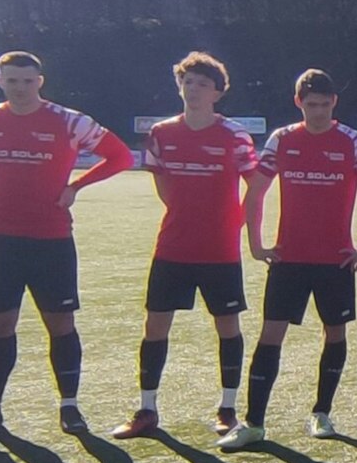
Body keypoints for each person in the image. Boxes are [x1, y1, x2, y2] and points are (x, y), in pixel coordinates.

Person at [217, 70, 357, 449]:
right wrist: (257, 244)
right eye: (312, 106)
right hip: (289, 260)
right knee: (270, 336)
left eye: (325, 105)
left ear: (334, 104)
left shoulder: (353, 143)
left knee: (335, 332)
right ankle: (254, 422)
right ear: (299, 103)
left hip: (336, 262)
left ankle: (322, 413)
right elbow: (256, 193)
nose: (319, 113)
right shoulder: (282, 140)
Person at [108, 53, 263, 440]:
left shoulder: (234, 134)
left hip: (219, 250)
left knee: (227, 326)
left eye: (202, 84)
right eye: (188, 82)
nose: (193, 89)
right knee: (155, 325)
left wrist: (236, 221)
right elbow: (162, 184)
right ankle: (146, 410)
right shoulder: (161, 132)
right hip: (173, 246)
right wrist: (183, 213)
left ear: (218, 92)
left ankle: (227, 408)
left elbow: (256, 185)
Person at [0, 50, 134, 435]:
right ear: (0, 81)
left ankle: (69, 405)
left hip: (51, 240)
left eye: (27, 80)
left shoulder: (68, 121)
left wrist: (77, 185)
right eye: (11, 80)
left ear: (40, 81)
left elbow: (120, 157)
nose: (20, 88)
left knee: (60, 324)